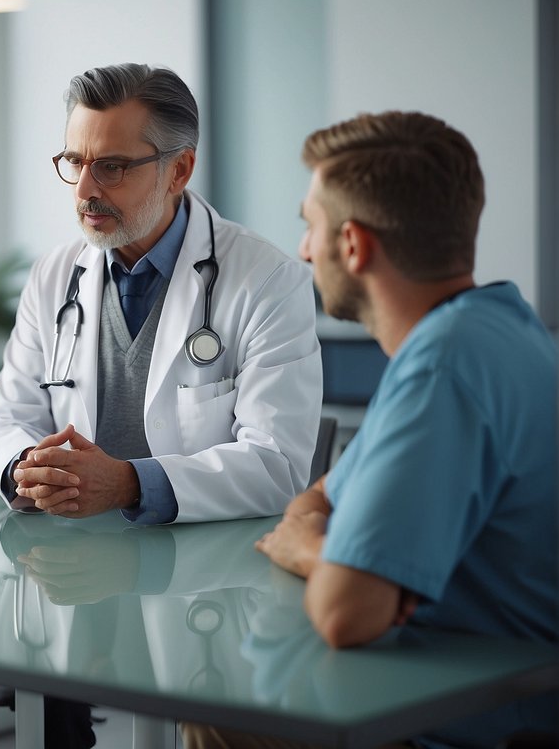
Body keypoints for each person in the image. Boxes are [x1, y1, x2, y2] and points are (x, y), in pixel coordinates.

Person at [186, 111, 557, 748]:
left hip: (473, 721)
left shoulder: (444, 368)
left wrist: (309, 551)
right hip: (452, 687)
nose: (303, 249)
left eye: (312, 226)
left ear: (353, 245)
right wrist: (330, 542)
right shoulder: (498, 327)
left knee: (220, 704)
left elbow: (344, 612)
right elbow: (320, 497)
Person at [0, 62, 322, 746]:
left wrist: (130, 482)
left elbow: (276, 463)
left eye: (111, 166)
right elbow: (3, 416)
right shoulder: (55, 275)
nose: (83, 190)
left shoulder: (265, 281)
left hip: (203, 582)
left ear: (179, 168)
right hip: (68, 570)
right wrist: (23, 467)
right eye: (72, 162)